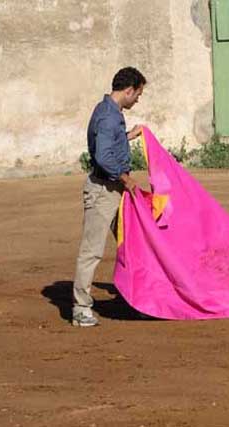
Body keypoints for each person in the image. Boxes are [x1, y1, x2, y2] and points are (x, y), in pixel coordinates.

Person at [71, 67, 146, 327]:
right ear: (128, 90)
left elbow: (109, 146)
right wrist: (127, 180)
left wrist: (129, 137)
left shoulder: (109, 113)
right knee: (92, 250)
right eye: (138, 93)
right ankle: (81, 308)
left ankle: (137, 300)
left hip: (114, 190)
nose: (138, 99)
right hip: (104, 191)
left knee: (132, 245)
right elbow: (103, 157)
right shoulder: (108, 117)